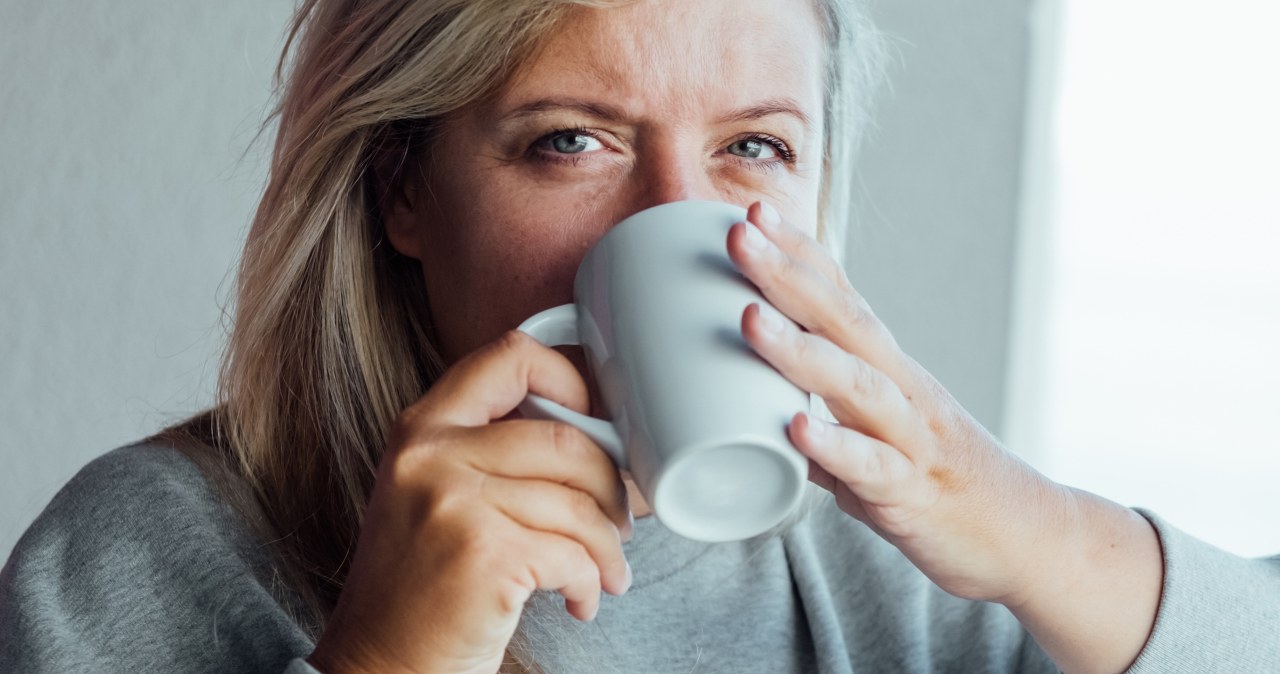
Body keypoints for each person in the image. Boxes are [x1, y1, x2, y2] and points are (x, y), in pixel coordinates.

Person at [2, 0, 1277, 672]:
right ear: (401, 189)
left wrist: (1029, 526)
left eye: (754, 148)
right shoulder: (146, 559)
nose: (683, 219)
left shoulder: (885, 567)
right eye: (572, 140)